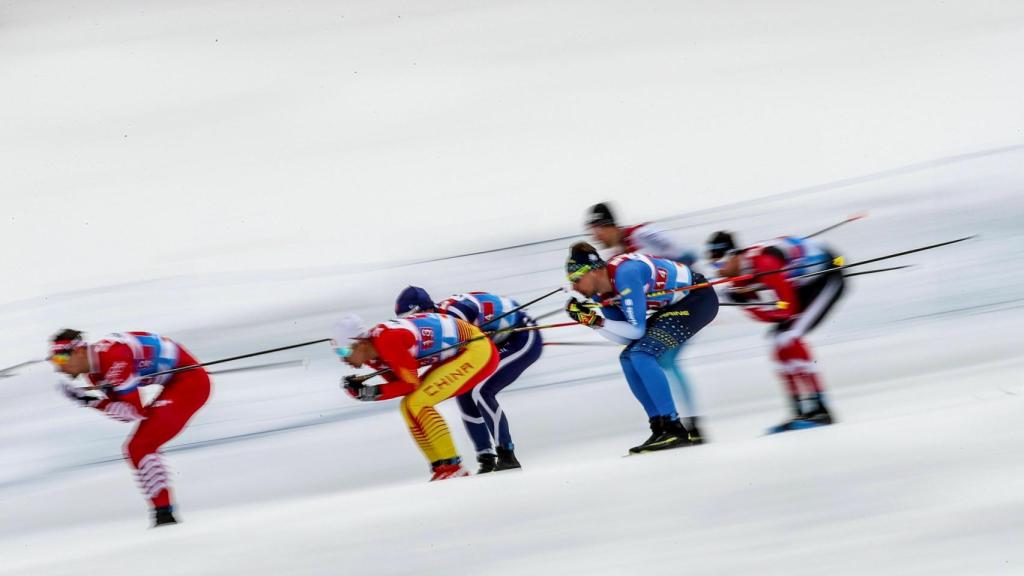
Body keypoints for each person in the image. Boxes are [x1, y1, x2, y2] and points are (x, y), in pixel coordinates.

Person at [563, 242, 719, 453]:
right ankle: (660, 427)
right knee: (628, 357)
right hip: (674, 306)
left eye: (576, 279)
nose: (574, 287)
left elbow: (636, 331)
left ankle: (674, 429)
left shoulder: (625, 274)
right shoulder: (602, 294)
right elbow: (624, 337)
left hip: (697, 299)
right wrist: (591, 321)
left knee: (642, 354)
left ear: (593, 271)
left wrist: (596, 321)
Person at [49, 329, 212, 527]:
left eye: (60, 359)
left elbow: (134, 411)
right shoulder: (94, 373)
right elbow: (124, 413)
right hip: (176, 380)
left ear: (79, 351)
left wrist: (89, 401)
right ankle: (163, 514)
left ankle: (165, 517)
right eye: (54, 361)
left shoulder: (111, 359)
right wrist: (90, 401)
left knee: (140, 446)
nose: (58, 368)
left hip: (190, 381)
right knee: (138, 448)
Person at [706, 231, 844, 432]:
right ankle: (799, 411)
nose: (717, 271)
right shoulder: (737, 275)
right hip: (801, 280)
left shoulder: (765, 265)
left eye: (719, 264)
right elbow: (767, 308)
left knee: (789, 336)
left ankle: (821, 409)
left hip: (826, 275)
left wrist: (747, 303)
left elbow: (787, 309)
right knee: (775, 340)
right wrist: (746, 301)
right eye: (713, 266)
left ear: (734, 256)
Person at [334, 313, 499, 480]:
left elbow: (410, 384)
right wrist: (367, 393)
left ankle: (454, 467)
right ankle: (441, 467)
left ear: (361, 344)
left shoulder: (386, 341)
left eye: (344, 350)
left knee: (418, 402)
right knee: (407, 405)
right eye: (337, 352)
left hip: (477, 350)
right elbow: (401, 384)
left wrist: (369, 393)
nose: (342, 358)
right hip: (463, 350)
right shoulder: (372, 354)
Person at [395, 287, 541, 473]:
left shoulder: (453, 316)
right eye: (404, 320)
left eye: (412, 317)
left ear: (427, 309)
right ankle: (486, 458)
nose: (410, 323)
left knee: (482, 390)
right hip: (494, 340)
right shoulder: (432, 324)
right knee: (464, 392)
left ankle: (507, 455)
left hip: (521, 337)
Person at [586, 202, 703, 428]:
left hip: (691, 296)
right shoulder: (615, 256)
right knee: (657, 358)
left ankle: (690, 423)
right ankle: (683, 421)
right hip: (668, 306)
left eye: (597, 231)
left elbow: (687, 255)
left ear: (607, 225)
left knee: (664, 358)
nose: (596, 238)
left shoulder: (643, 234)